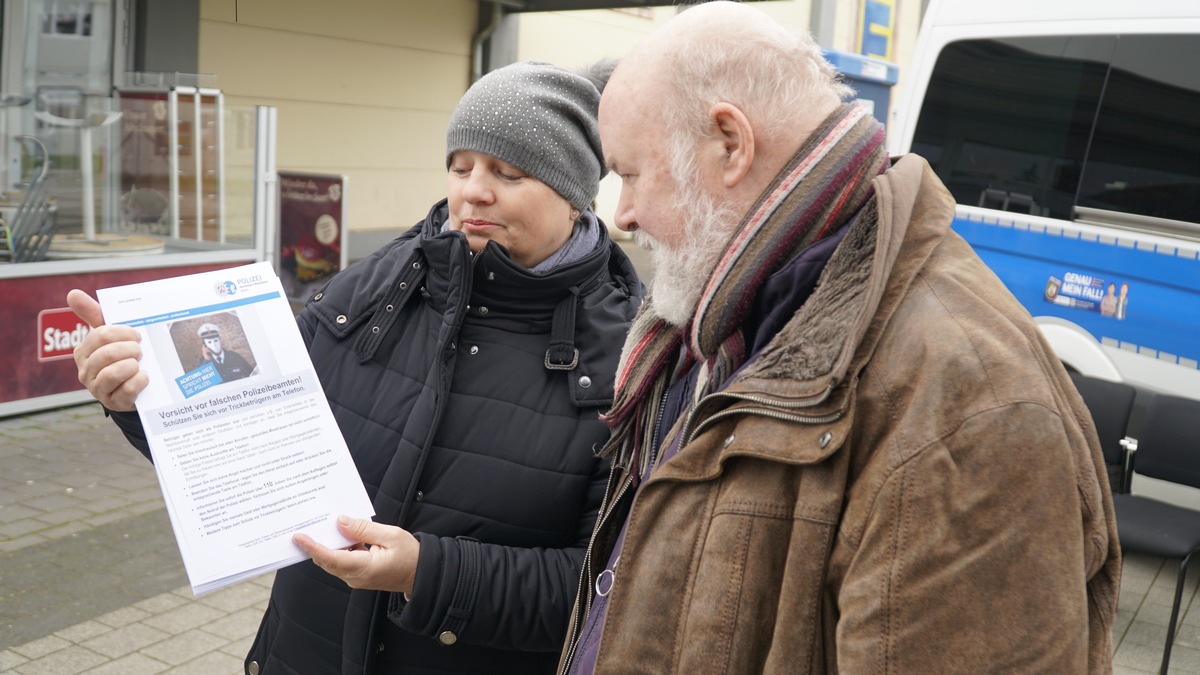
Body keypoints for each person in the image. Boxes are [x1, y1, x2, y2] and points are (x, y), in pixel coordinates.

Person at [557, 3, 1120, 674]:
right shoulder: (728, 320)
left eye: (631, 173)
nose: (620, 216)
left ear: (730, 144)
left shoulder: (970, 402)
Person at [68, 60, 643, 675]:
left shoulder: (630, 358)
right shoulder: (370, 289)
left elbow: (612, 590)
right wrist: (140, 402)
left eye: (509, 172)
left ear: (574, 192)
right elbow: (245, 445)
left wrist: (429, 575)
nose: (474, 190)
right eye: (460, 166)